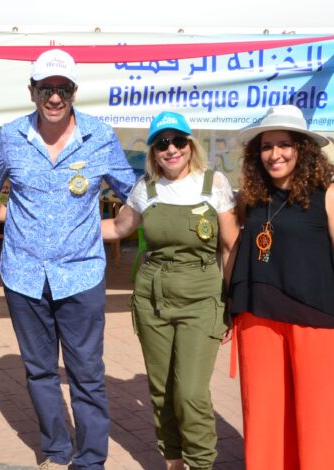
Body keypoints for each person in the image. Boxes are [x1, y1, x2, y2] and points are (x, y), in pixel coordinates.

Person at [0, 49, 137, 470]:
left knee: (87, 373)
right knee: (39, 372)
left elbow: (133, 190)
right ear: (32, 91)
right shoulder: (11, 136)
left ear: (74, 91)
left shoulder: (100, 136)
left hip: (81, 275)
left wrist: (117, 228)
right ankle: (56, 451)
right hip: (23, 275)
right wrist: (11, 218)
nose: (54, 98)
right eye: (46, 89)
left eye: (63, 89)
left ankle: (90, 461)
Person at [230, 105, 334, 469]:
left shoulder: (331, 196)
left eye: (284, 144)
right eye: (266, 146)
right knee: (265, 419)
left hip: (318, 324)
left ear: (302, 149)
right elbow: (235, 249)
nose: (274, 154)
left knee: (322, 422)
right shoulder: (252, 198)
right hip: (258, 321)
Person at [101, 111, 239, 470]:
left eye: (178, 141)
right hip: (152, 300)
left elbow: (230, 247)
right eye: (162, 143)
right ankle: (174, 461)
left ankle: (201, 463)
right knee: (162, 390)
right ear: (153, 151)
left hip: (202, 300)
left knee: (190, 393)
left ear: (190, 145)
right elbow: (117, 228)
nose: (171, 149)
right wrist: (58, 227)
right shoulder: (145, 188)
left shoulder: (214, 183)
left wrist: (232, 303)